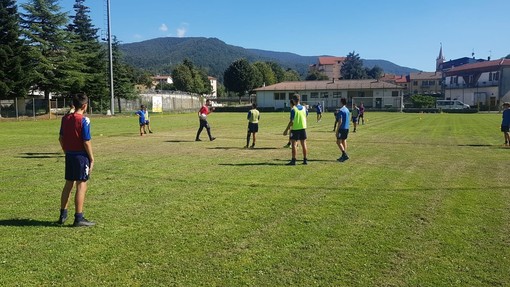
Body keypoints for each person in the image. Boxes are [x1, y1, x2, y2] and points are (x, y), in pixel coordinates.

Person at [57, 93, 95, 227]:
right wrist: (91, 158)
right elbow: (86, 141)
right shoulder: (84, 120)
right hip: (81, 156)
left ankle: (63, 214)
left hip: (70, 155)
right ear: (85, 105)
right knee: (81, 185)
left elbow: (61, 138)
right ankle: (79, 218)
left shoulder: (65, 119)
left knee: (68, 184)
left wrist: (66, 151)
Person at [283, 94, 308, 165]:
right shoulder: (304, 108)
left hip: (295, 128)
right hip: (303, 127)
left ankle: (293, 160)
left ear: (293, 100)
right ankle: (305, 160)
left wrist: (286, 130)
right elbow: (306, 115)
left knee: (294, 144)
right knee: (304, 144)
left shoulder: (293, 109)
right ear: (299, 100)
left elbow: (292, 121)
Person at [336, 98, 350, 162]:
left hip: (342, 128)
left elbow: (340, 121)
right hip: (347, 128)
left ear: (341, 102)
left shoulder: (341, 110)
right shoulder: (347, 110)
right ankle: (343, 155)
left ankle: (344, 154)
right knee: (344, 140)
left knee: (338, 142)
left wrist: (337, 129)